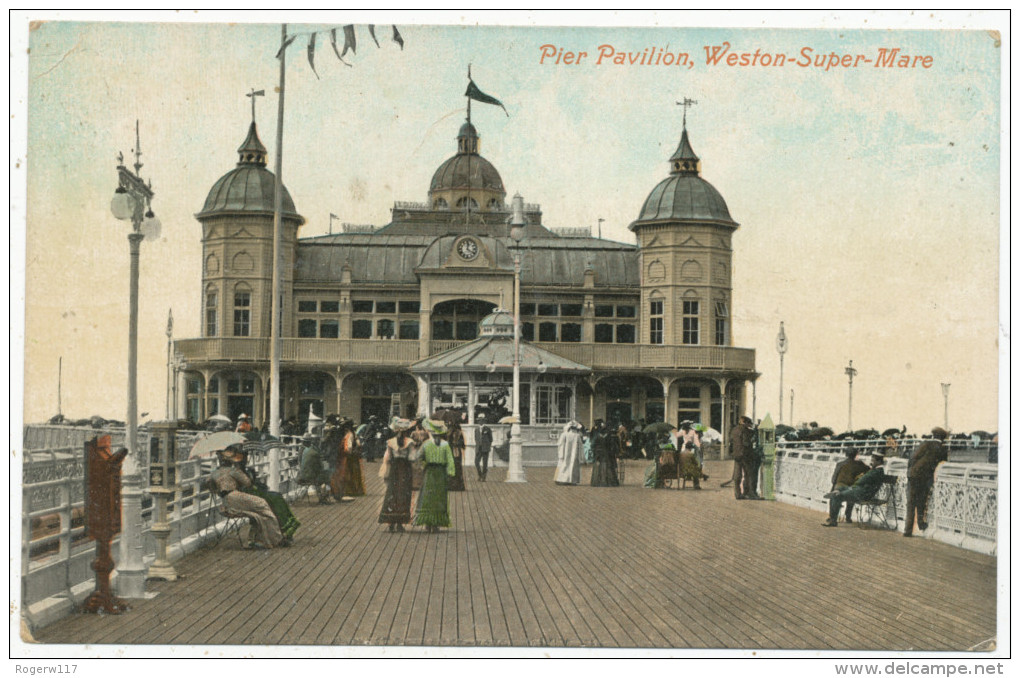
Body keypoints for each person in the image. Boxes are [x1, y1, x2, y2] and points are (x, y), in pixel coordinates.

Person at [210, 447, 284, 549]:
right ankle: (275, 538)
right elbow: (248, 483)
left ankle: (260, 538)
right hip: (234, 496)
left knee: (258, 510)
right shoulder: (233, 471)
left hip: (226, 502)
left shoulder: (214, 473)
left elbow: (211, 486)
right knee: (262, 504)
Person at [412, 419, 456, 533]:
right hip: (436, 471)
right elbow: (450, 460)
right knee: (434, 496)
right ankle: (432, 523)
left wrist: (423, 466)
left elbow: (417, 457)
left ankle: (431, 523)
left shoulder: (429, 444)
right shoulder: (441, 444)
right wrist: (450, 472)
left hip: (433, 471)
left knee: (432, 496)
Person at [904, 427, 949, 537]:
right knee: (921, 502)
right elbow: (943, 463)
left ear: (933, 435)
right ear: (943, 439)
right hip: (925, 478)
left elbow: (913, 457)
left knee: (910, 502)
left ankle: (907, 530)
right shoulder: (943, 449)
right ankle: (921, 524)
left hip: (913, 475)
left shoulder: (925, 444)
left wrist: (910, 470)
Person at [822, 453, 888, 527]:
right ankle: (837, 492)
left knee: (837, 496)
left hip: (862, 494)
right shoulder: (876, 470)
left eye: (873, 460)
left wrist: (851, 487)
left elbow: (861, 480)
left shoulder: (876, 471)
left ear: (878, 462)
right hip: (860, 490)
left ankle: (833, 520)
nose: (871, 462)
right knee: (840, 488)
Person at [378, 417, 419, 532]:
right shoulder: (410, 442)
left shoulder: (390, 442)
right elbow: (412, 457)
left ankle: (391, 522)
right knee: (403, 494)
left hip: (394, 469)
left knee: (392, 493)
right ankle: (400, 523)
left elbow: (387, 457)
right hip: (405, 469)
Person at [829, 448, 869, 523]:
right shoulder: (859, 464)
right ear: (856, 455)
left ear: (846, 454)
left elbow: (833, 479)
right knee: (851, 496)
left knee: (834, 494)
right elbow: (868, 469)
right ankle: (848, 517)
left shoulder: (840, 464)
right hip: (851, 488)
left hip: (840, 486)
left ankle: (832, 517)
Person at [298, 432, 332, 504]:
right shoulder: (314, 452)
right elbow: (320, 467)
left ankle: (322, 497)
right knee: (326, 478)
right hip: (308, 477)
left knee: (321, 477)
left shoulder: (304, 450)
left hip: (301, 475)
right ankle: (323, 498)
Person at [729, 416, 755, 499]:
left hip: (736, 454)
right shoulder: (745, 430)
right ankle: (747, 492)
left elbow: (731, 441)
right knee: (748, 474)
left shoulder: (734, 430)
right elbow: (746, 442)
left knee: (737, 474)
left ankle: (737, 493)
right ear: (745, 422)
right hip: (745, 454)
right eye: (749, 423)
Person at [589, 419, 620, 487]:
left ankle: (598, 481)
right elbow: (612, 445)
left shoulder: (597, 435)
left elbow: (592, 444)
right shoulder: (608, 435)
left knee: (598, 466)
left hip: (598, 452)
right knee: (607, 466)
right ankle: (609, 481)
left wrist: (594, 450)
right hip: (606, 452)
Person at [554, 420, 584, 485]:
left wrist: (561, 453)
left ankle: (562, 479)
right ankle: (572, 480)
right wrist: (580, 456)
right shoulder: (577, 436)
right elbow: (581, 446)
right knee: (572, 465)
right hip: (574, 453)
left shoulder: (564, 434)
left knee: (564, 465)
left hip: (565, 452)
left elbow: (560, 444)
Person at [447, 420, 467, 491]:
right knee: (457, 467)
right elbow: (463, 445)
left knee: (452, 467)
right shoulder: (459, 432)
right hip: (457, 451)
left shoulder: (449, 432)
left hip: (451, 451)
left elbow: (447, 442)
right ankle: (458, 486)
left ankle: (451, 485)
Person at [474, 414, 493, 481]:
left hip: (485, 449)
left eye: (481, 420)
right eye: (479, 420)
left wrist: (487, 446)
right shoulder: (476, 430)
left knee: (485, 463)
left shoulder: (487, 429)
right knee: (476, 462)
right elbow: (476, 439)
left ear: (484, 421)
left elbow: (491, 439)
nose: (480, 421)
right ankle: (480, 475)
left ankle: (484, 477)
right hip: (478, 448)